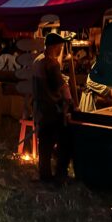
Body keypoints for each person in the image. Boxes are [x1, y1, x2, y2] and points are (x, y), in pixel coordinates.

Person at [32, 33, 74, 185]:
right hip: (52, 109)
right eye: (60, 47)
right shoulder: (51, 63)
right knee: (64, 142)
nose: (60, 49)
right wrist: (70, 102)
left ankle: (45, 174)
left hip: (39, 108)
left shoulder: (37, 60)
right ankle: (60, 174)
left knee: (44, 144)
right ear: (54, 46)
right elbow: (61, 87)